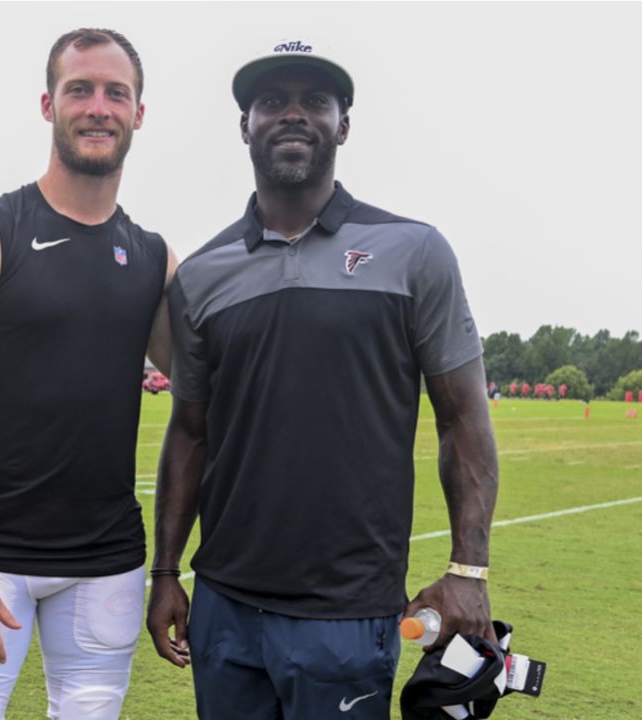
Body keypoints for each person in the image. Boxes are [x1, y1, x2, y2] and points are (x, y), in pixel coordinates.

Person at [146, 40, 500, 719]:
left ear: (344, 124)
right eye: (271, 102)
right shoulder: (201, 275)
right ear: (244, 125)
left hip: (347, 613)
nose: (292, 115)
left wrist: (469, 570)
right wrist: (166, 572)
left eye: (315, 101)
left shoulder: (414, 251)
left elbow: (464, 420)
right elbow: (189, 431)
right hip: (224, 604)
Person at [0, 28, 175, 720]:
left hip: (107, 562)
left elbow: (220, 392)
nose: (98, 107)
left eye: (117, 93)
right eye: (79, 89)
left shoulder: (153, 259)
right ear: (48, 103)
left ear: (139, 113)